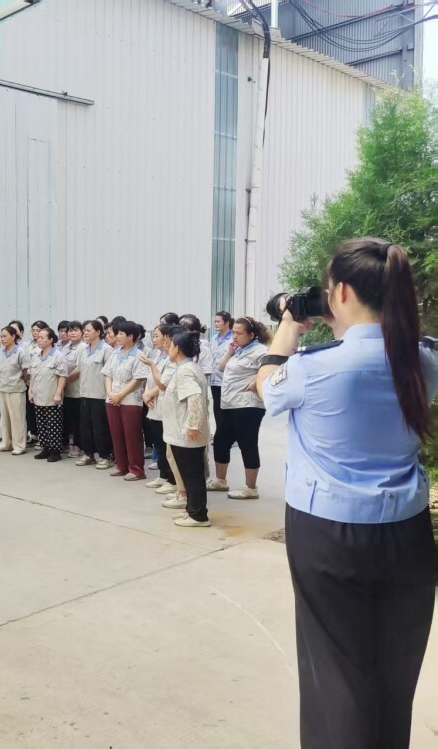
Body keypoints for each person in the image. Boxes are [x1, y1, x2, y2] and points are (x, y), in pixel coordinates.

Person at [257, 239, 438, 749]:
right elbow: (402, 348)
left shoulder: (313, 368)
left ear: (338, 291)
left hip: (328, 537)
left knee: (336, 673)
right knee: (394, 673)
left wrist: (289, 327)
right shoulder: (423, 361)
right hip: (407, 534)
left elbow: (267, 386)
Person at [208, 316, 270, 499]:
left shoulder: (261, 351)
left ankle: (251, 488)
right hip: (229, 404)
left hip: (248, 406)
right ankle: (220, 480)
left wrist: (255, 384)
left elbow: (273, 370)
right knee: (221, 441)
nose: (234, 336)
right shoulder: (239, 350)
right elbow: (220, 367)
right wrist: (230, 351)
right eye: (233, 332)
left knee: (247, 444)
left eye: (239, 333)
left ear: (251, 335)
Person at [163, 329, 212, 527]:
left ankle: (198, 515)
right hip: (181, 434)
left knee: (192, 475)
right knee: (190, 474)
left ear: (178, 348)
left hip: (187, 436)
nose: (168, 348)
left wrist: (192, 425)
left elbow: (195, 398)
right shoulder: (186, 367)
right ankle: (192, 510)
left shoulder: (185, 371)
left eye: (171, 344)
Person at [103, 321, 150, 480]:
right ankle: (121, 465)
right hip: (112, 399)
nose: (117, 337)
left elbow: (138, 380)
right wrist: (110, 393)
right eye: (117, 334)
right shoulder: (115, 353)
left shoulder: (139, 355)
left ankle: (136, 469)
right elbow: (108, 374)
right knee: (116, 433)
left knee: (132, 435)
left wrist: (120, 395)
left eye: (121, 334)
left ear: (131, 336)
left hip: (129, 400)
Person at [140, 325, 179, 494]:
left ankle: (171, 479)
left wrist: (149, 394)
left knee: (166, 444)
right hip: (153, 404)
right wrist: (147, 394)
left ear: (167, 338)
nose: (153, 339)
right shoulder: (157, 354)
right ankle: (163, 475)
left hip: (163, 404)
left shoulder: (172, 358)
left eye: (156, 336)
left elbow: (164, 382)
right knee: (158, 442)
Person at [74, 319, 114, 469]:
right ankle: (88, 454)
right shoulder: (83, 350)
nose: (85, 333)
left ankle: (105, 456)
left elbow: (110, 373)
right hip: (84, 393)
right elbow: (79, 369)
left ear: (98, 332)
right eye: (84, 330)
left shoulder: (106, 349)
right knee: (85, 426)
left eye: (88, 330)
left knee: (100, 427)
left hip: (100, 394)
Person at [28, 328, 69, 462]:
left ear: (51, 340)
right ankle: (45, 448)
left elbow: (62, 376)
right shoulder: (36, 355)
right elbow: (33, 375)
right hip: (38, 395)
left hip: (52, 396)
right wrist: (31, 391)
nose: (39, 340)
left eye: (42, 338)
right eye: (38, 337)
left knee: (54, 425)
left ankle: (55, 451)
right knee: (41, 424)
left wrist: (58, 393)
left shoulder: (58, 355)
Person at [0, 325, 29, 455]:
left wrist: (22, 382)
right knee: (5, 417)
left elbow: (26, 371)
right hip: (2, 387)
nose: (2, 339)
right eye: (1, 336)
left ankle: (19, 445)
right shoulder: (1, 351)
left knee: (17, 418)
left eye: (5, 336)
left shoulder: (21, 351)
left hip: (16, 389)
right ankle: (6, 443)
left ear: (13, 337)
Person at [62, 321, 87, 458]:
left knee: (78, 420)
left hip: (78, 389)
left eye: (75, 330)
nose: (72, 333)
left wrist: (64, 380)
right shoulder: (66, 347)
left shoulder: (83, 347)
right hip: (67, 390)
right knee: (70, 419)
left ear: (82, 332)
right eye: (70, 330)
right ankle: (69, 444)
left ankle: (78, 446)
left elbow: (79, 369)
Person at [210, 311, 234, 433]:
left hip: (228, 379)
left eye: (218, 321)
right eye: (215, 321)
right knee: (217, 408)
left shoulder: (233, 338)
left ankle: (230, 434)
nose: (216, 323)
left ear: (227, 323)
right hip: (215, 380)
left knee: (227, 408)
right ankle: (220, 432)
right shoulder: (214, 338)